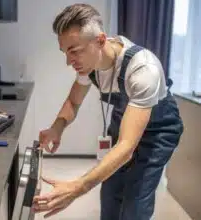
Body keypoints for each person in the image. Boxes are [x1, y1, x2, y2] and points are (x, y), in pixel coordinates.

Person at [32, 3, 184, 220]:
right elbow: (74, 102)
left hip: (158, 130)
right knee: (111, 194)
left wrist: (77, 188)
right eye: (65, 52)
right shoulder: (90, 64)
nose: (68, 61)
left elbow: (126, 148)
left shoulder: (143, 70)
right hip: (125, 119)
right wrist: (57, 127)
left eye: (74, 51)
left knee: (135, 202)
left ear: (101, 40)